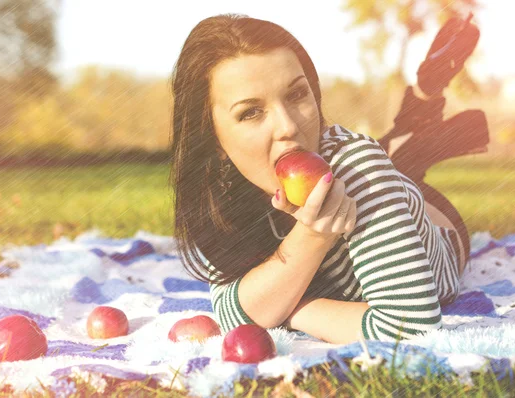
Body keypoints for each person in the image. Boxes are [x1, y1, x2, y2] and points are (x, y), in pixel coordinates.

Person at [169, 14, 489, 344]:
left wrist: (293, 311)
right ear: (214, 141)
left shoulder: (361, 170)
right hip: (372, 176)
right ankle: (411, 126)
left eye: (296, 95)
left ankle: (415, 122)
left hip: (437, 229)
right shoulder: (225, 191)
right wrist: (312, 237)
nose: (288, 127)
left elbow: (410, 328)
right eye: (250, 112)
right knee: (389, 159)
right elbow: (230, 311)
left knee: (376, 166)